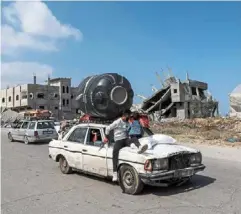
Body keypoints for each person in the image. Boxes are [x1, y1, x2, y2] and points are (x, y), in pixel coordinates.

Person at [105, 110, 148, 182]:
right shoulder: (117, 122)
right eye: (128, 116)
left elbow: (130, 129)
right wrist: (106, 137)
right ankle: (115, 172)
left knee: (134, 139)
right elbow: (108, 128)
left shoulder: (127, 122)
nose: (129, 117)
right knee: (115, 153)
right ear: (124, 115)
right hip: (118, 140)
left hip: (125, 139)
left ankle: (140, 147)